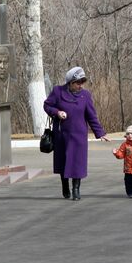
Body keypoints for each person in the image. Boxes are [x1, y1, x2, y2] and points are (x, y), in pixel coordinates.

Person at [43, 66, 110, 200]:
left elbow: (91, 116)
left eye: (82, 82)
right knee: (63, 162)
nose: (80, 85)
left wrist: (100, 132)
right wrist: (57, 112)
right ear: (70, 82)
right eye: (77, 82)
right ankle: (65, 186)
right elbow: (47, 105)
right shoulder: (58, 91)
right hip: (62, 134)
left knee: (77, 163)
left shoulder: (86, 95)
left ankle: (76, 189)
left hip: (79, 135)